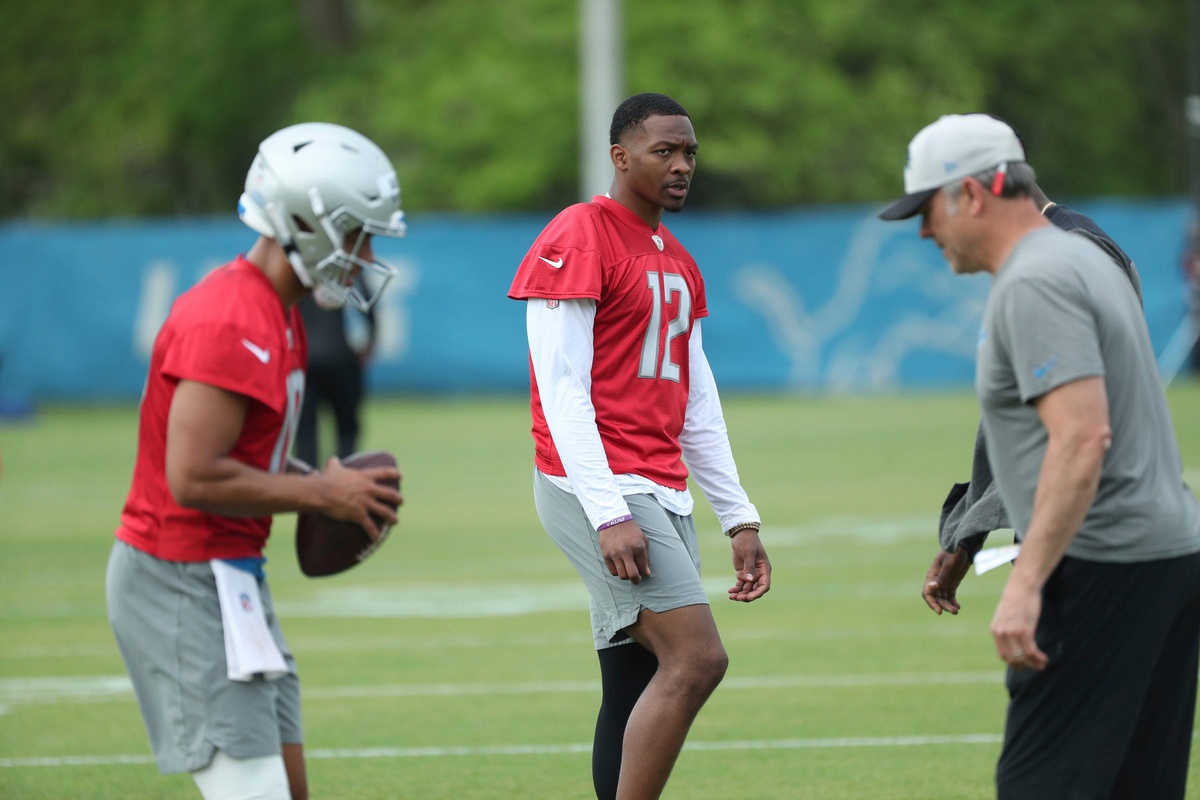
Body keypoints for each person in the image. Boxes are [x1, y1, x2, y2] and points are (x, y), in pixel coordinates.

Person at [880, 113, 1200, 799]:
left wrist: (1025, 585)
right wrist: (971, 530)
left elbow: (1083, 436)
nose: (925, 232)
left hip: (1102, 562)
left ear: (971, 193)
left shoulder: (1036, 279)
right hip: (1165, 555)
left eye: (927, 209)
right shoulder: (1086, 254)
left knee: (1041, 784)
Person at [105, 122, 406, 800]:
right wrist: (321, 495)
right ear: (304, 220)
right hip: (178, 576)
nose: (363, 257)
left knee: (288, 788)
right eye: (356, 235)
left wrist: (329, 484)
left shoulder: (280, 312)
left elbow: (250, 456)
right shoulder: (228, 318)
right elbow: (193, 475)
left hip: (233, 576)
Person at [508, 92, 772, 800]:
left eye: (689, 152)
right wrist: (606, 511)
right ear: (621, 157)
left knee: (633, 681)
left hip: (657, 486)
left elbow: (697, 400)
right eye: (665, 152)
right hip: (599, 485)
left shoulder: (678, 260)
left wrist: (738, 515)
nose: (682, 165)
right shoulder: (579, 232)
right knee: (697, 659)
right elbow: (560, 389)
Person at [293, 287, 376, 467]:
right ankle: (344, 481)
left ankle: (308, 488)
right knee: (347, 431)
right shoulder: (341, 267)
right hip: (340, 357)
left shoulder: (294, 271)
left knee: (305, 435)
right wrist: (370, 342)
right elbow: (369, 304)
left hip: (304, 359)